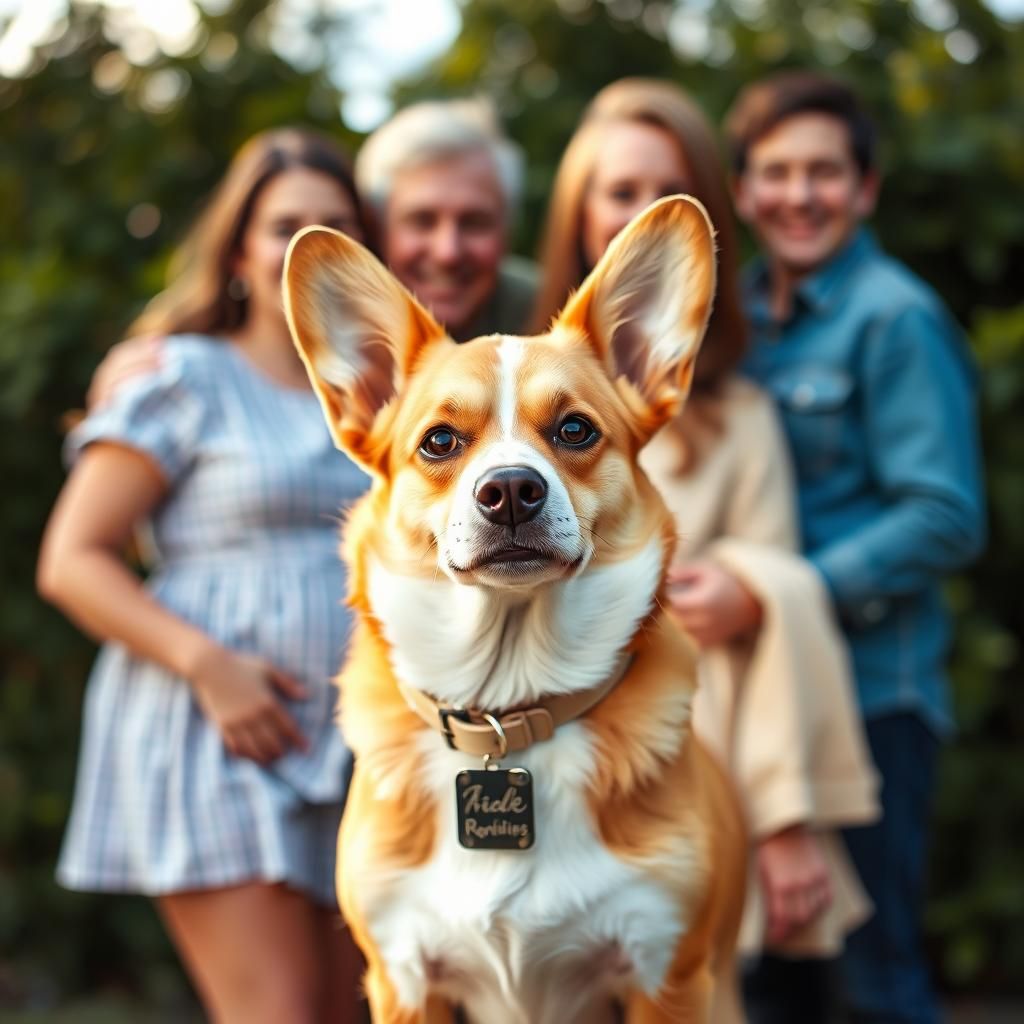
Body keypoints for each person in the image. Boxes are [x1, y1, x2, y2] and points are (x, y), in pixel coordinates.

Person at [531, 77, 880, 1023]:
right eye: (617, 192)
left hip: (689, 752)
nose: (637, 215)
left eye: (666, 192)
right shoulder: (499, 383)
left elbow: (781, 599)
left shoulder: (738, 415)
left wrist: (779, 818)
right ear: (578, 211)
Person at [37, 128, 373, 1023]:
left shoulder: (386, 390)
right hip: (217, 733)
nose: (306, 247)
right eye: (284, 226)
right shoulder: (183, 378)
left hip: (355, 748)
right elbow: (71, 560)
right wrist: (208, 667)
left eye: (333, 227)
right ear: (237, 250)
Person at [725, 71, 986, 1023]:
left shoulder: (894, 317)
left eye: (825, 173)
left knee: (872, 979)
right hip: (763, 703)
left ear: (865, 189)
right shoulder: (738, 318)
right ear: (745, 191)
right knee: (771, 976)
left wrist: (780, 594)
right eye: (777, 173)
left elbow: (946, 514)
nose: (800, 194)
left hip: (874, 693)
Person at [355, 96, 537, 340]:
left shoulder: (551, 313)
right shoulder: (338, 327)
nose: (448, 252)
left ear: (507, 231)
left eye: (474, 222)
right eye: (422, 221)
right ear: (378, 228)